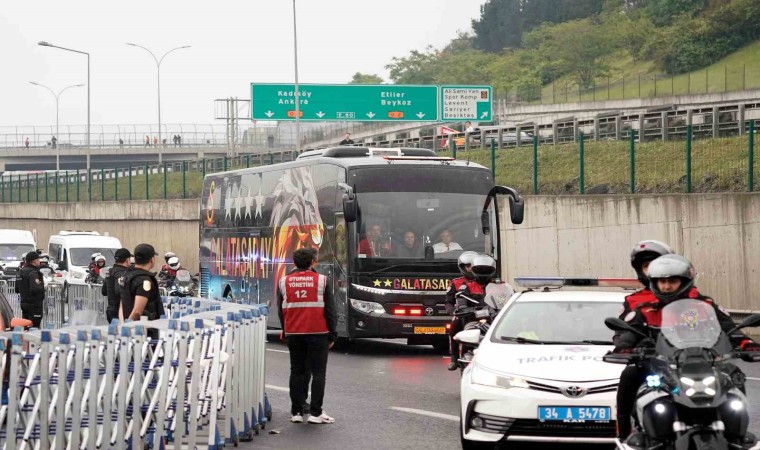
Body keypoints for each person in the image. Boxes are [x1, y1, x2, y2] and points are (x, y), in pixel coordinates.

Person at [613, 254, 760, 442]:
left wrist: (748, 345)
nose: (666, 287)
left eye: (672, 281)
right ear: (654, 283)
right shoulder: (644, 309)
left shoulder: (705, 305)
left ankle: (736, 434)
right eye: (661, 282)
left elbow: (730, 329)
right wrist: (625, 347)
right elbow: (629, 333)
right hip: (659, 366)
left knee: (734, 375)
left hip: (703, 364)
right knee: (630, 374)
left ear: (685, 281)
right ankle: (624, 435)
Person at [277, 248, 337, 424]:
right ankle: (315, 413)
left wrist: (286, 330)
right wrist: (333, 335)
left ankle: (296, 412)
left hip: (294, 333)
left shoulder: (283, 281)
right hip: (318, 333)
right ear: (313, 261)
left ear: (295, 263)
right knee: (318, 372)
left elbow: (281, 311)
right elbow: (330, 311)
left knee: (296, 370)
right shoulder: (322, 281)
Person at [119, 244, 165, 339]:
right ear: (152, 259)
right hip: (143, 333)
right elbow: (137, 311)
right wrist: (128, 328)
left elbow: (121, 304)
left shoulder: (127, 276)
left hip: (130, 329)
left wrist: (123, 325)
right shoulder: (144, 281)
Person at [444, 251, 479, 370]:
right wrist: (453, 311)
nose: (469, 268)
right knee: (454, 326)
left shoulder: (485, 280)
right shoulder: (456, 282)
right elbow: (448, 302)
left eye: (472, 265)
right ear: (462, 267)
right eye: (467, 266)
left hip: (484, 314)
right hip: (464, 314)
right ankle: (454, 358)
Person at [102, 248, 131, 323]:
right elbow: (120, 291)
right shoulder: (122, 273)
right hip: (119, 312)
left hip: (111, 310)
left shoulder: (110, 271)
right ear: (127, 260)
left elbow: (104, 291)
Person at [18, 252, 45, 328]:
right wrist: (42, 287)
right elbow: (35, 288)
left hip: (24, 304)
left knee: (25, 325)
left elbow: (17, 288)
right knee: (34, 327)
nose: (39, 262)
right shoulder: (34, 273)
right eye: (38, 260)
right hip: (34, 305)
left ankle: (25, 339)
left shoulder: (20, 272)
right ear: (34, 261)